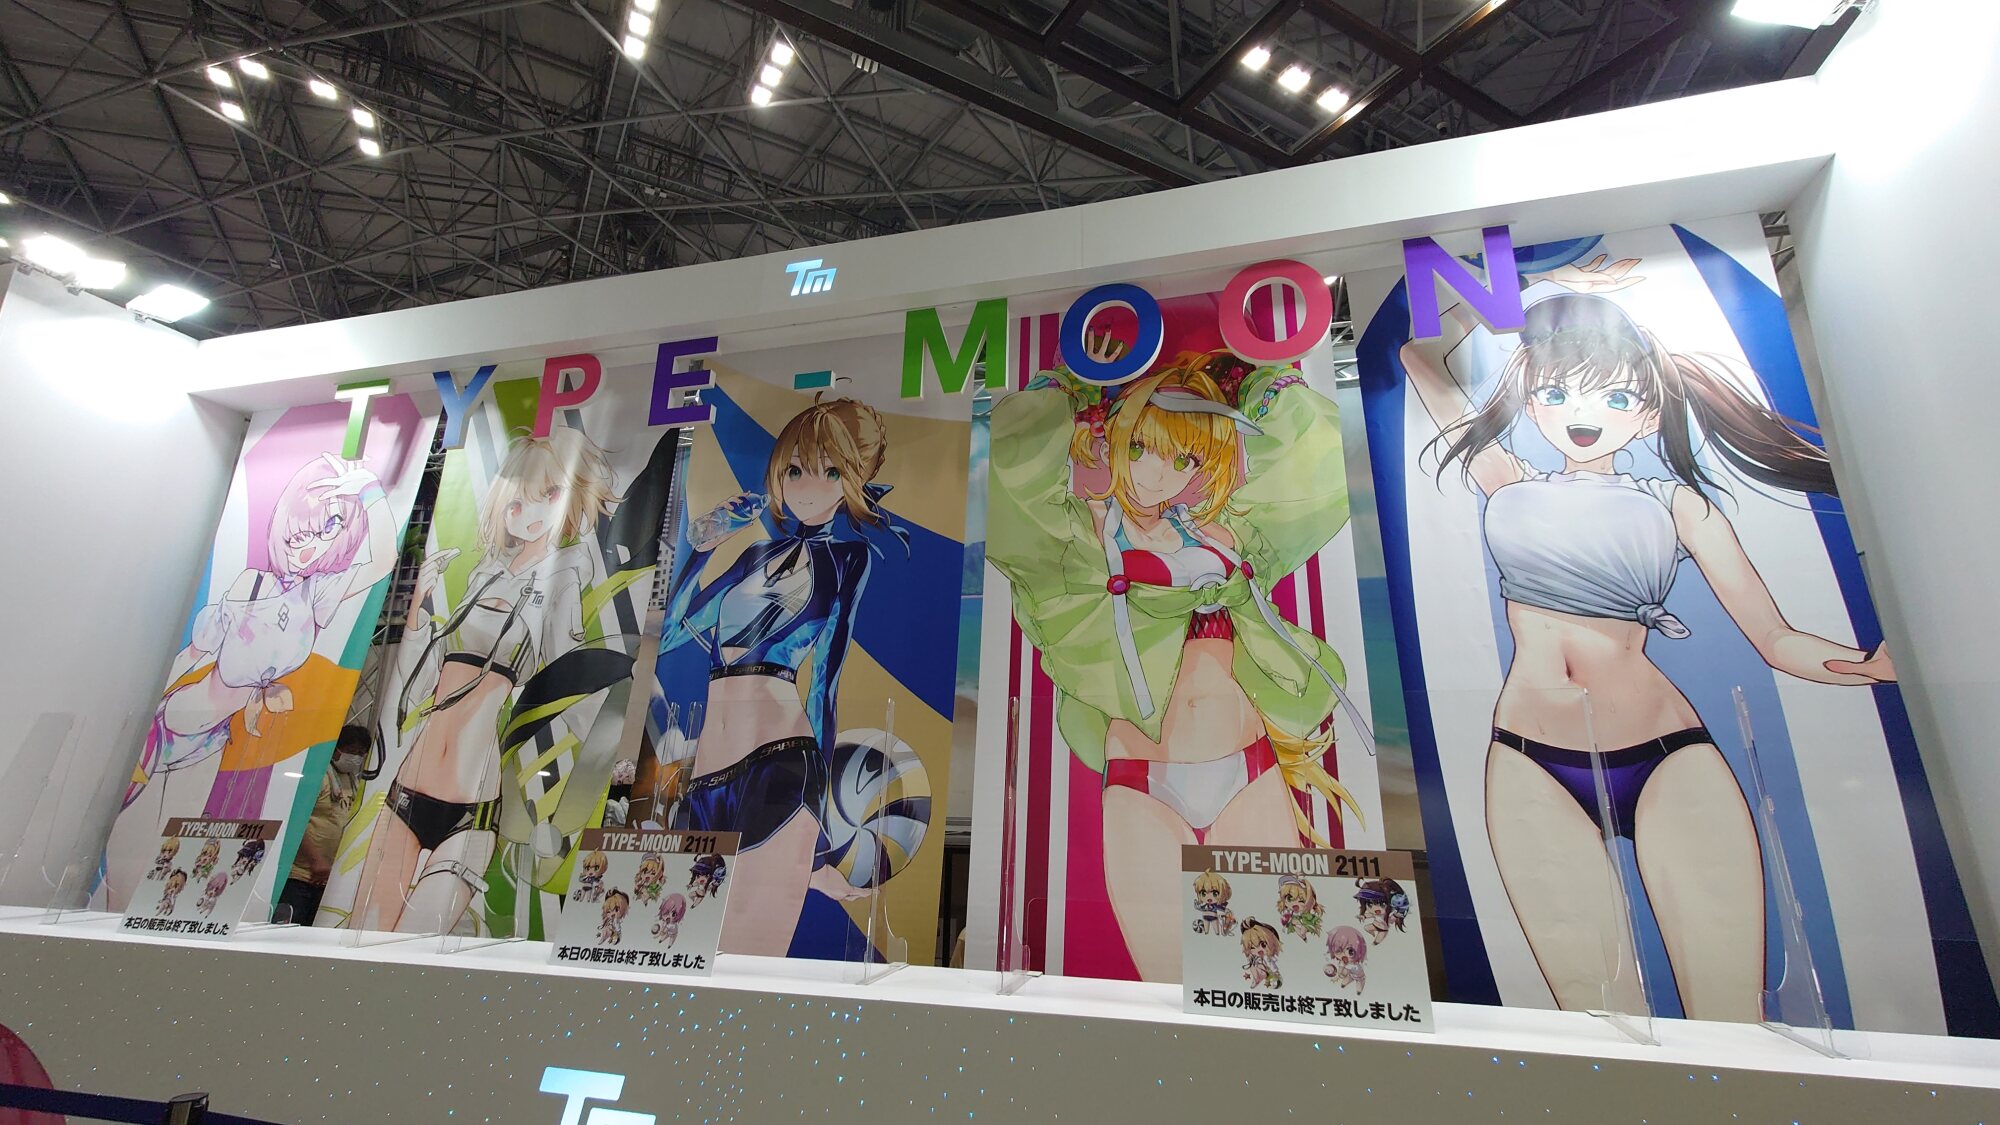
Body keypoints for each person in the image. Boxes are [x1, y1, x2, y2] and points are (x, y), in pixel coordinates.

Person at [1400, 264, 1895, 1019]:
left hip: (1668, 756)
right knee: (1596, 1021)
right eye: (1557, 394)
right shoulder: (1507, 478)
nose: (1581, 414)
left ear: (1648, 410)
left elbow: (1775, 637)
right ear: (1530, 398)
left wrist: (1870, 667)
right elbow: (1421, 358)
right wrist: (1524, 287)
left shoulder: (1679, 505)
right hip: (1529, 761)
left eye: (1613, 396)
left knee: (1728, 1017)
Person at [988, 335, 1369, 980]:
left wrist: (1258, 376)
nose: (1152, 472)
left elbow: (1312, 467)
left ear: (1205, 465)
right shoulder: (1084, 538)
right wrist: (1069, 385)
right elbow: (1016, 489)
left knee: (1274, 985)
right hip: (1142, 781)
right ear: (1114, 440)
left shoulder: (1227, 532)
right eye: (1138, 447)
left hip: (1249, 768)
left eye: (1181, 457)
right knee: (1166, 986)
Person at [660, 398, 889, 955]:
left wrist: (823, 838)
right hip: (706, 776)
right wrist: (700, 550)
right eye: (795, 469)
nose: (807, 486)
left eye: (830, 472)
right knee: (682, 949)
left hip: (781, 763)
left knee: (749, 961)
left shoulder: (848, 560)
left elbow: (824, 685)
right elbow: (669, 636)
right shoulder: (754, 554)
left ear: (853, 481)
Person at [276, 725, 368, 925]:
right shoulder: (316, 776)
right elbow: (294, 821)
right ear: (336, 749)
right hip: (299, 876)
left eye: (361, 753)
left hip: (329, 880)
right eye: (351, 751)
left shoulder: (353, 782)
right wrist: (316, 861)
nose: (356, 758)